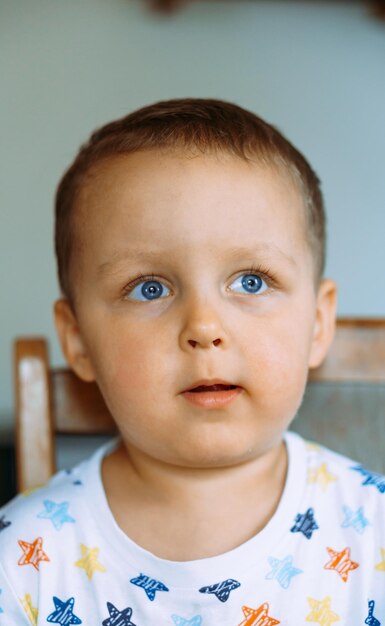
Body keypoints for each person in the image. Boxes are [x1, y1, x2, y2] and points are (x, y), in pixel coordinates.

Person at [0, 99, 384, 625]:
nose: (204, 327)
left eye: (251, 281)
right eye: (150, 288)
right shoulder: (23, 564)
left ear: (318, 324)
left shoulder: (374, 536)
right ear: (79, 340)